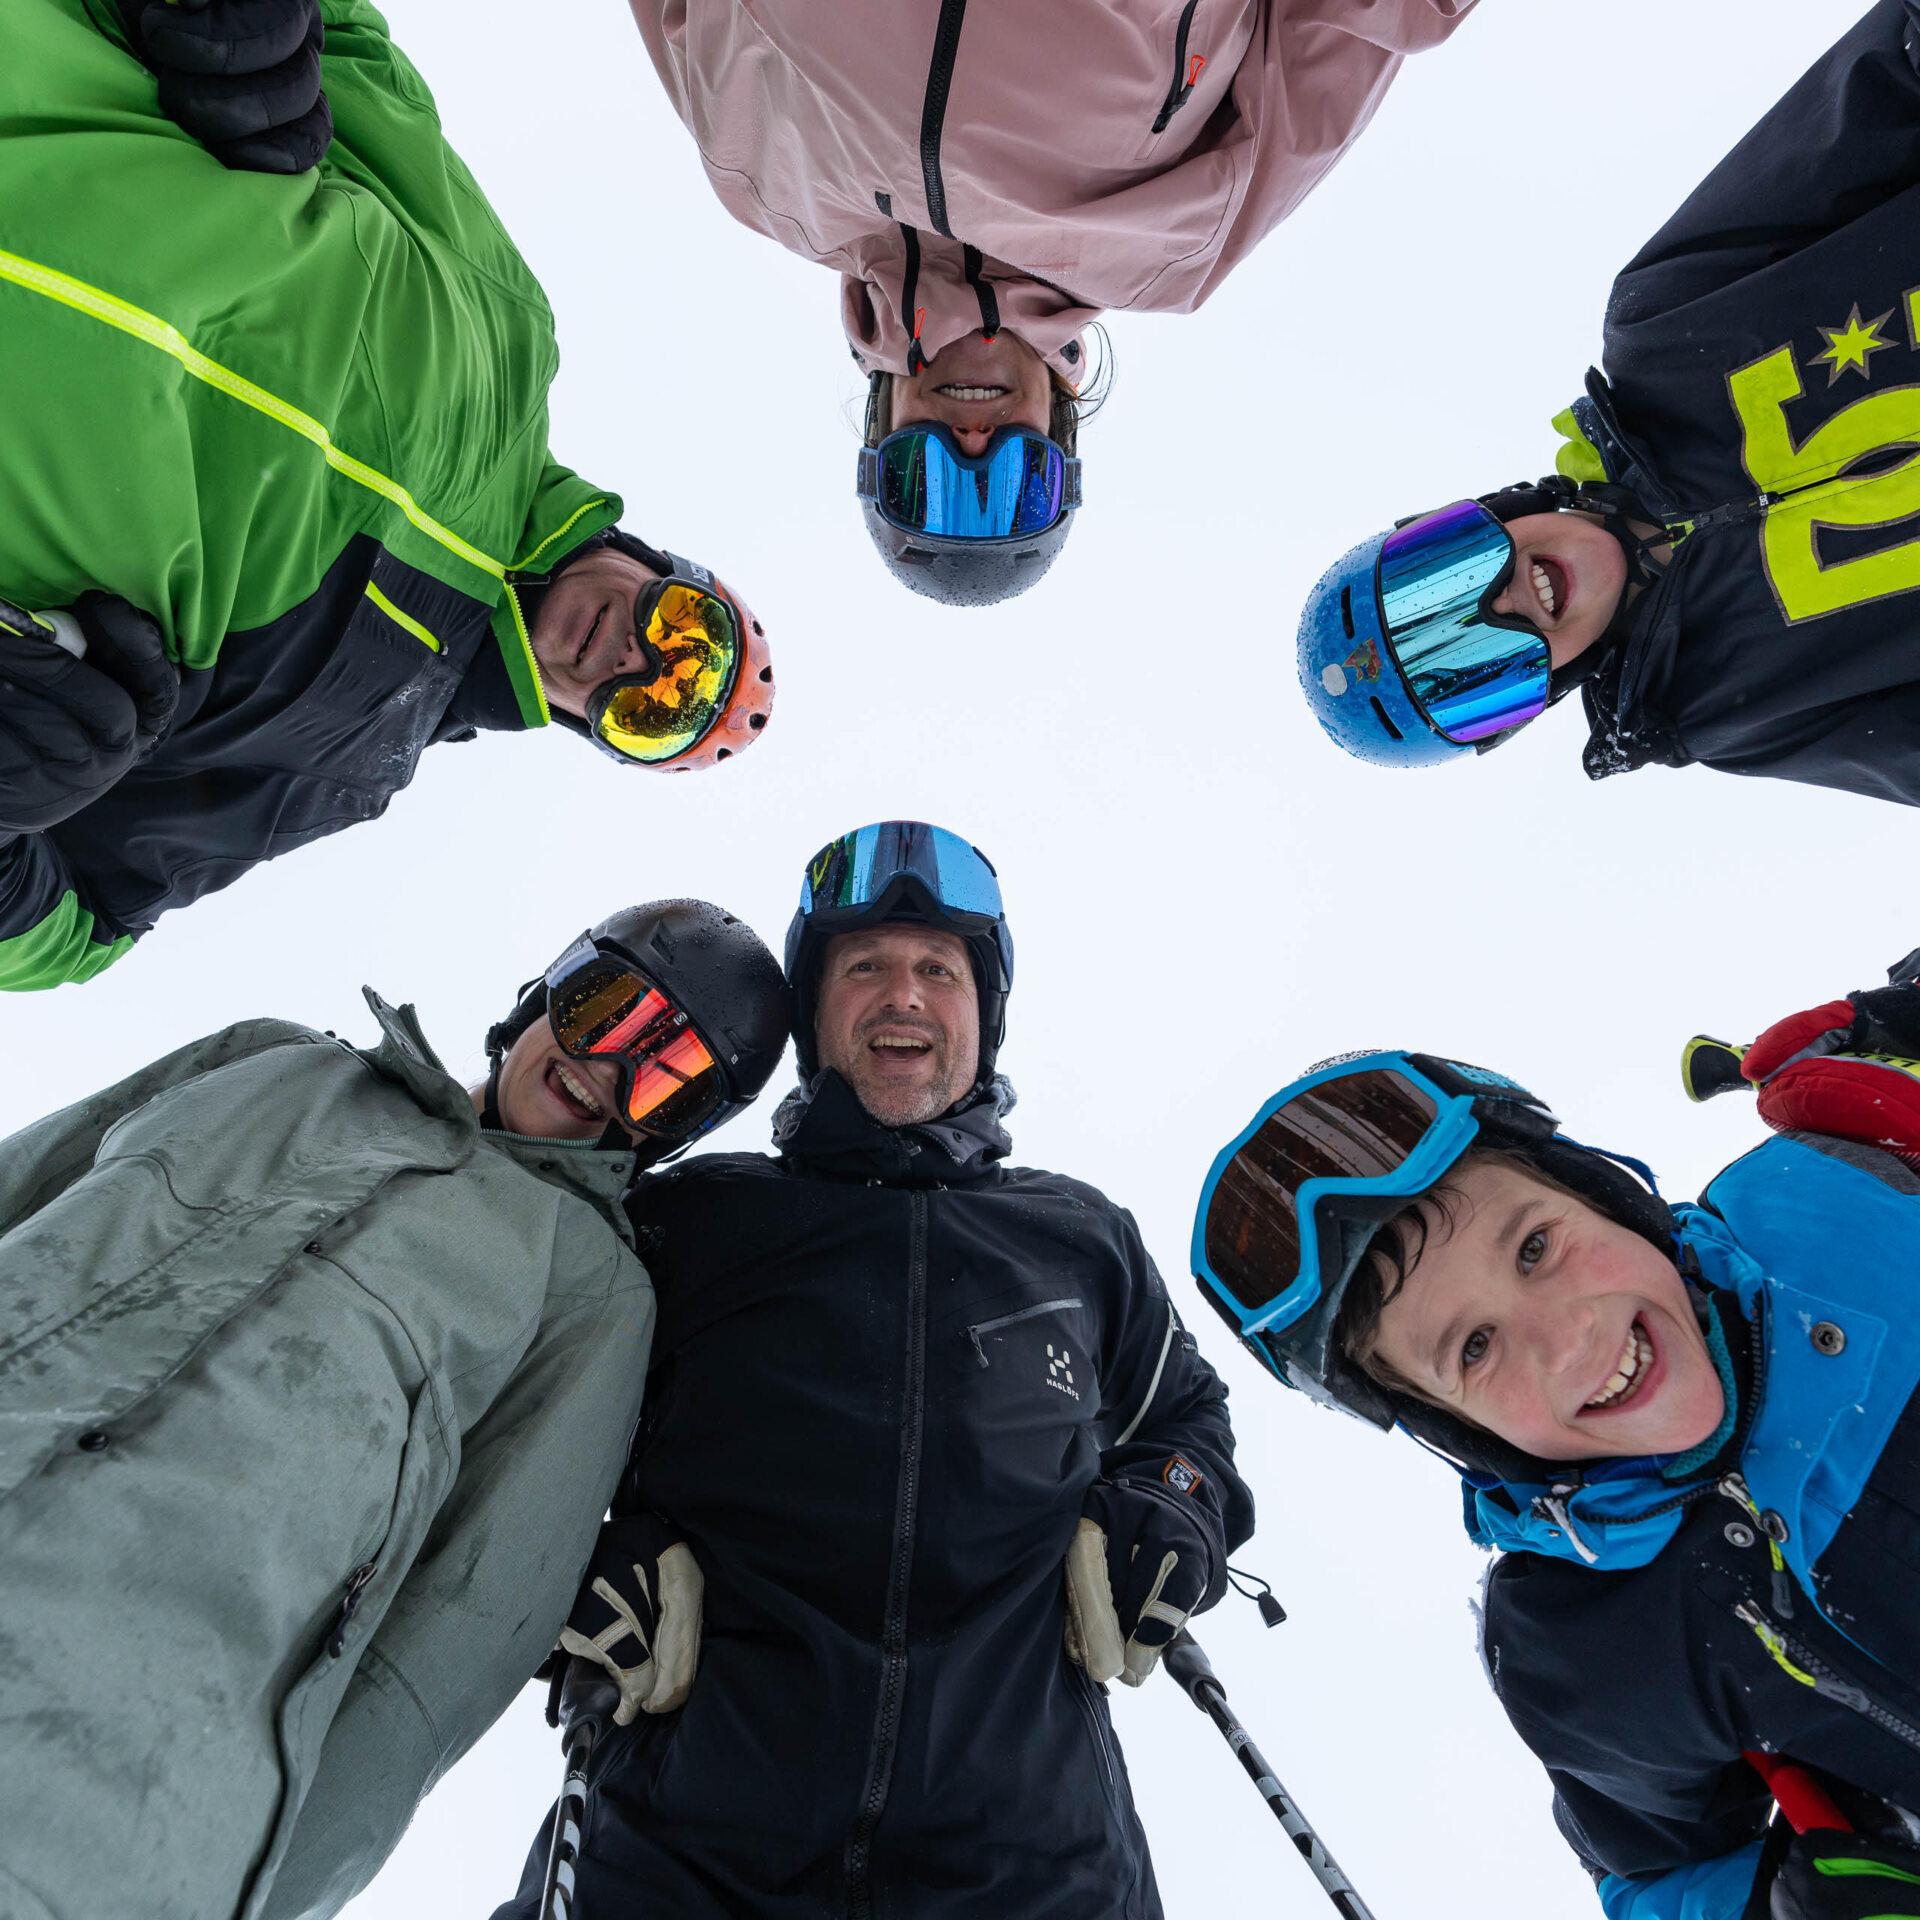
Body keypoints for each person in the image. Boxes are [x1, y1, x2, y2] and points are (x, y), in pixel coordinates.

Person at [496, 819, 1255, 1918]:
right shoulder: (689, 1220)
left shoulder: (1078, 1238)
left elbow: (1187, 1424)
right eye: (865, 968)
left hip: (1036, 1868)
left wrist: (1172, 1510)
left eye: (939, 971)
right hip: (673, 1855)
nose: (904, 996)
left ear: (983, 1019)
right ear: (814, 1019)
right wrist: (569, 1554)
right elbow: (518, 1414)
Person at [0, 901, 791, 1920]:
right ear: (549, 984)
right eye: (607, 1008)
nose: (607, 1070)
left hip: (104, 1777)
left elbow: (445, 1659)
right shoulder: (275, 1066)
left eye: (669, 1079)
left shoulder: (586, 1289)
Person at [0, 0, 775, 995]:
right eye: (686, 637)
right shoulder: (510, 340)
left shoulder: (340, 766)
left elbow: (69, 934)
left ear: (593, 730)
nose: (634, 660)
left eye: (651, 709)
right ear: (668, 567)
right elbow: (355, 52)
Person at [1190, 993, 1920, 1920]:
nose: (1568, 1341)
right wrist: (1778, 1904)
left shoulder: (1844, 1193)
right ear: (1448, 1426)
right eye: (1475, 1348)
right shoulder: (1583, 1646)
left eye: (1535, 1246)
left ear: (1603, 1196)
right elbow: (1656, 1875)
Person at [624, 0, 1475, 604]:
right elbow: (1355, 19)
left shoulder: (763, 184)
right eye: (1017, 487)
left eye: (926, 484)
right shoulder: (1181, 248)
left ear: (878, 436)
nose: (973, 446)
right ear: (1061, 441)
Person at [1297, 0, 1920, 808]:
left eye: (1446, 583)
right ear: (1528, 707)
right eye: (1478, 673)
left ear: (1470, 514)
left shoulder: (1667, 327)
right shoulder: (1739, 708)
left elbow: (1880, 91)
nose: (1507, 605)